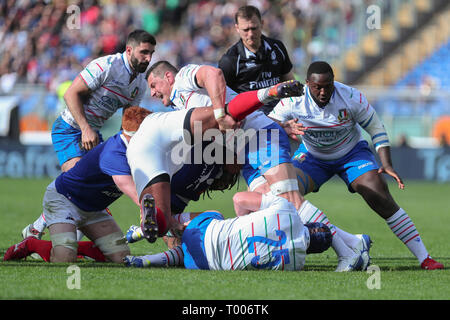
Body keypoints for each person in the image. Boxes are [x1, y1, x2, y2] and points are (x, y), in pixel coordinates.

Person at [268, 61, 444, 270]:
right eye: (318, 87)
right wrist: (284, 126)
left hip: (351, 153)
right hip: (312, 156)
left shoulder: (351, 97)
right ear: (307, 84)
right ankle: (350, 243)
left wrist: (386, 163)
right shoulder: (292, 101)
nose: (324, 92)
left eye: (328, 85)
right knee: (284, 193)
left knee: (378, 193)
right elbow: (268, 125)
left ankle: (425, 258)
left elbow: (376, 127)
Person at [128, 68, 305, 243]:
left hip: (262, 138)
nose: (152, 92)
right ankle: (294, 244)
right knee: (268, 207)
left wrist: (220, 114)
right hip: (246, 150)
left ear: (168, 76)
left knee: (288, 199)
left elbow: (213, 74)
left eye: (153, 85)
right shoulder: (179, 109)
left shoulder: (183, 77)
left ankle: (323, 235)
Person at [21, 29, 156, 243]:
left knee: (95, 192)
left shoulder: (139, 83)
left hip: (94, 135)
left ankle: (69, 237)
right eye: (144, 52)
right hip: (71, 128)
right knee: (78, 185)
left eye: (151, 54)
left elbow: (128, 121)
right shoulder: (106, 65)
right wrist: (85, 128)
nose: (148, 59)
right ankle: (38, 229)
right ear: (129, 49)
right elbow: (70, 93)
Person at [4, 107, 151, 263]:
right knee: (64, 259)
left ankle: (86, 247)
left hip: (94, 209)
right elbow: (129, 187)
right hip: (64, 200)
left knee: (122, 259)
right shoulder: (114, 152)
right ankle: (30, 244)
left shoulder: (139, 150)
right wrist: (153, 210)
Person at [124, 193, 333, 271]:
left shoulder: (287, 209)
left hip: (203, 232)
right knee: (186, 254)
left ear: (309, 225)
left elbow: (239, 199)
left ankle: (154, 227)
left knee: (215, 214)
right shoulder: (296, 265)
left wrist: (244, 222)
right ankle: (149, 260)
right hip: (204, 266)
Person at [218, 5, 295, 115]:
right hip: (250, 119)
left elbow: (289, 81)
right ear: (237, 28)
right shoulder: (230, 60)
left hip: (281, 113)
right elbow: (223, 98)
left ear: (262, 24)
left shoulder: (277, 47)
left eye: (254, 28)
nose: (251, 34)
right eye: (246, 30)